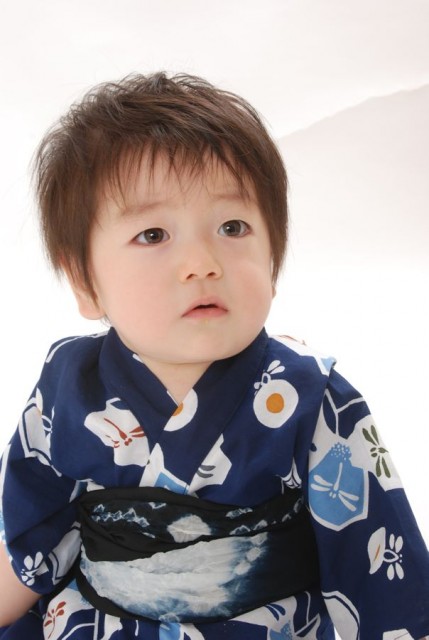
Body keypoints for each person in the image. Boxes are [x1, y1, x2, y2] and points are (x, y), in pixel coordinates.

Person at [0, 72, 428, 640]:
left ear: (273, 258)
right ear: (85, 281)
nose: (202, 263)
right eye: (153, 235)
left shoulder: (312, 396)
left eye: (232, 226)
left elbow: (373, 563)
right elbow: (31, 534)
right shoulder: (67, 385)